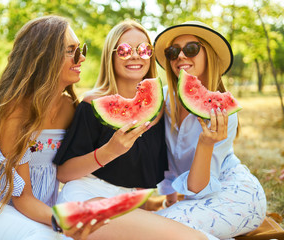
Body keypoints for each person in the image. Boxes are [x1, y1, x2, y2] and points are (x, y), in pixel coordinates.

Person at [0, 15, 102, 240]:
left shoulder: (70, 108)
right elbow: (22, 198)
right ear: (44, 57)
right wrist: (64, 220)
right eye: (71, 50)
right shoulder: (15, 110)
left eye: (81, 49)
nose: (81, 58)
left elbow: (73, 169)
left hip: (27, 213)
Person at [53, 19, 211, 240]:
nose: (136, 55)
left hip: (131, 205)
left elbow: (160, 168)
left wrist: (171, 199)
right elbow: (64, 173)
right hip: (87, 199)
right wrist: (110, 151)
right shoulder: (92, 104)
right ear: (111, 55)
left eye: (145, 49)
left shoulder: (161, 108)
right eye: (125, 50)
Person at [153, 21, 267, 239]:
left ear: (209, 54)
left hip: (238, 196)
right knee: (147, 226)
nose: (181, 56)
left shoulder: (224, 112)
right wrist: (169, 196)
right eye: (173, 51)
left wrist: (206, 144)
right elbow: (166, 157)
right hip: (194, 199)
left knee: (155, 228)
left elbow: (199, 188)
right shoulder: (163, 97)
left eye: (191, 49)